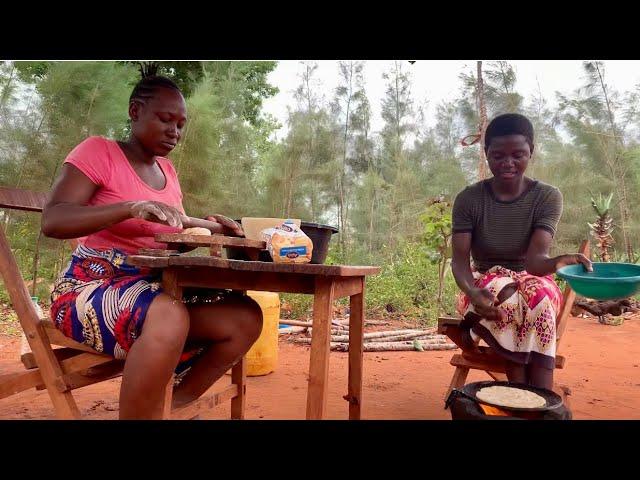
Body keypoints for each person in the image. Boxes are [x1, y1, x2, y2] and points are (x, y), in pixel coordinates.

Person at [42, 75, 263, 419]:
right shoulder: (99, 151)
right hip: (89, 286)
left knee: (244, 317)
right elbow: (53, 221)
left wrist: (212, 226)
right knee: (169, 317)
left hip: (155, 287)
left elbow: (173, 230)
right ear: (135, 111)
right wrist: (128, 207)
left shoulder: (168, 171)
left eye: (180, 124)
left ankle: (165, 406)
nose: (174, 131)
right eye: (165, 119)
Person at [450, 113, 592, 390]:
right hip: (483, 285)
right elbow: (459, 262)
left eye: (518, 155)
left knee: (536, 296)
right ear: (486, 153)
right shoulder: (469, 199)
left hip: (533, 279)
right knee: (507, 296)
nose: (508, 163)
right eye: (498, 155)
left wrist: (562, 261)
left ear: (531, 152)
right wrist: (472, 292)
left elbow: (536, 264)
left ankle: (541, 399)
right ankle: (522, 396)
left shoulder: (547, 197)